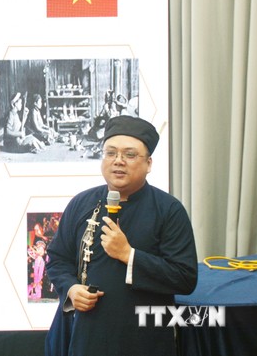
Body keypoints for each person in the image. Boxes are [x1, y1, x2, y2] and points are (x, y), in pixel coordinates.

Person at [45, 115, 198, 356]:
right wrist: (71, 289)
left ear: (148, 163)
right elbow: (57, 259)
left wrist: (129, 255)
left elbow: (185, 278)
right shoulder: (81, 203)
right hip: (86, 335)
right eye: (111, 153)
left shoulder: (168, 210)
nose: (118, 161)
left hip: (144, 338)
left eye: (130, 155)